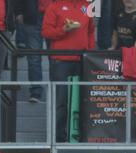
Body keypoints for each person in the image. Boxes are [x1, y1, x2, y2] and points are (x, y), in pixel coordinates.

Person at [41, 0, 95, 142]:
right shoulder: (54, 6)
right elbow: (46, 32)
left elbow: (90, 31)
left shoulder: (88, 6)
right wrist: (63, 30)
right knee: (61, 101)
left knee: (84, 100)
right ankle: (58, 138)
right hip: (61, 60)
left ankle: (81, 136)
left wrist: (90, 53)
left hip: (82, 60)